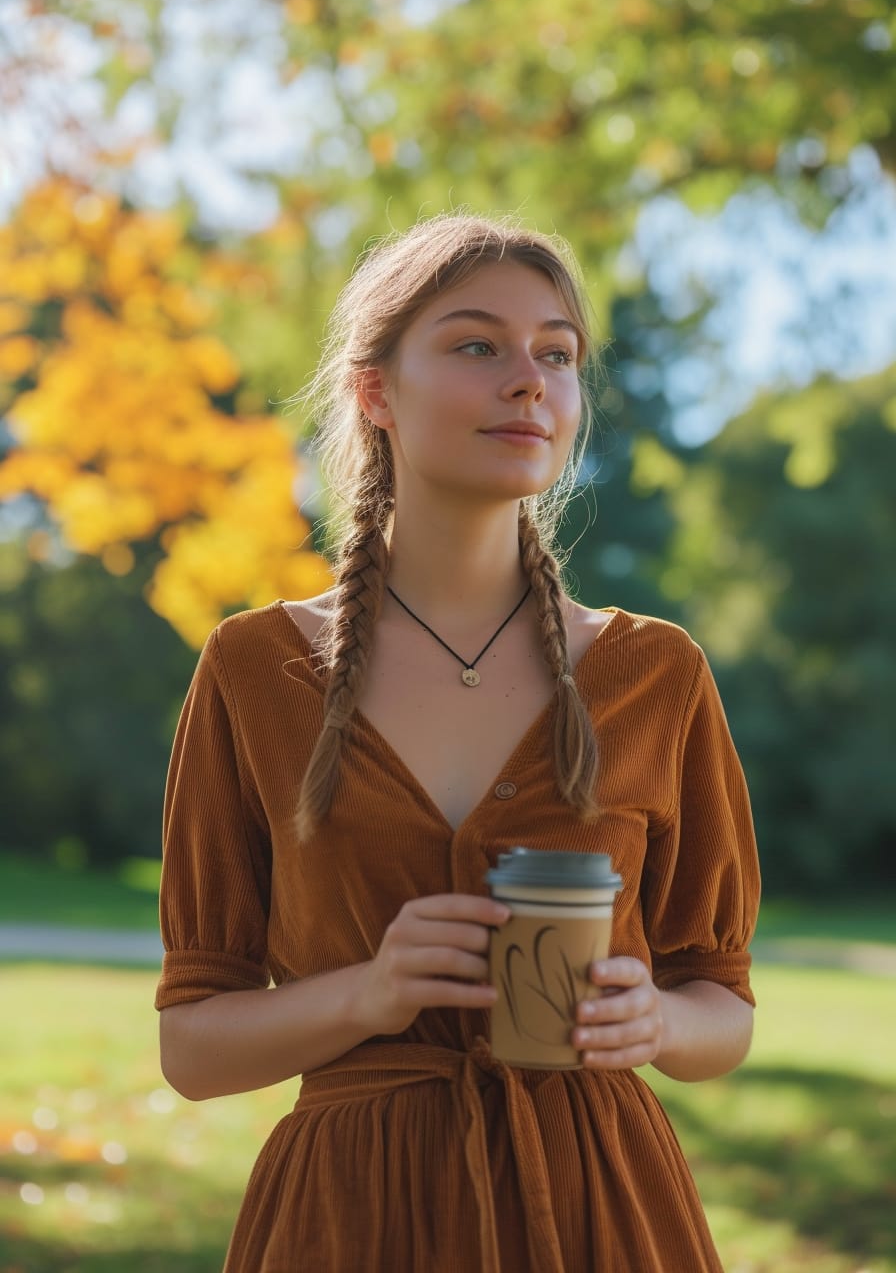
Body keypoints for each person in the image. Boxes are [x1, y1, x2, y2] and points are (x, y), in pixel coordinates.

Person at [155, 212, 760, 1272]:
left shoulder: (654, 675)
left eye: (556, 354)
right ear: (374, 391)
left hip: (600, 1211)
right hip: (348, 1219)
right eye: (477, 344)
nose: (528, 381)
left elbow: (721, 1004)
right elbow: (192, 1050)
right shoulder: (253, 671)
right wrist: (369, 993)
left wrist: (654, 1023)